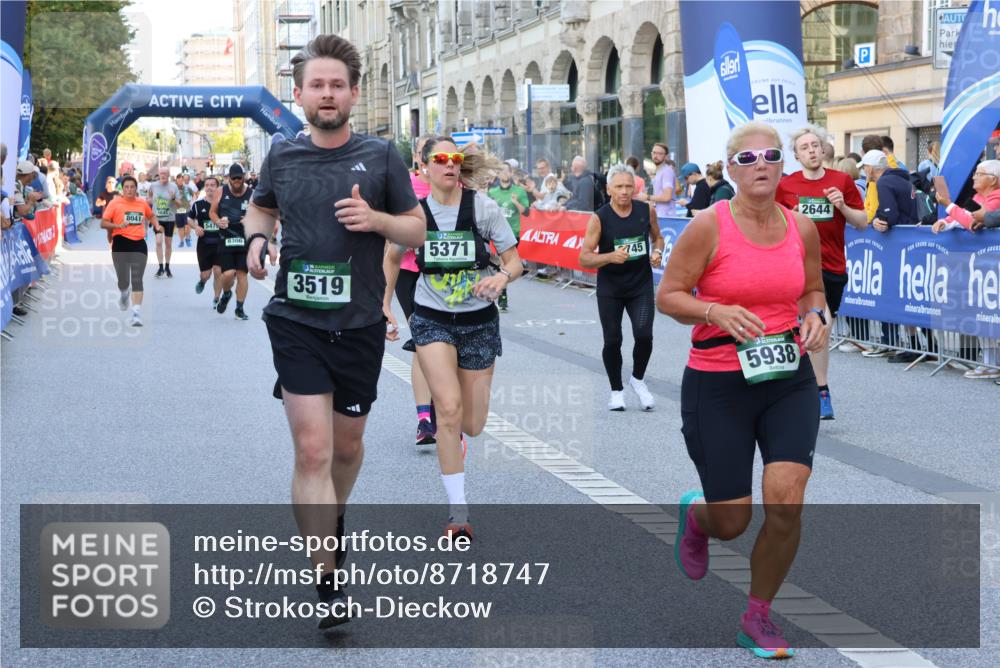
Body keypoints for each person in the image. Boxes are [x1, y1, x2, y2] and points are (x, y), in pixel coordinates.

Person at [243, 33, 426, 629]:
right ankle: (327, 578)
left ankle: (332, 521)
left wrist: (375, 220)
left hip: (360, 325)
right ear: (299, 94)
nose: (327, 94)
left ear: (352, 93)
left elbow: (417, 231)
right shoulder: (282, 155)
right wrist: (257, 238)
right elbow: (261, 206)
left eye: (337, 85)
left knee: (346, 448)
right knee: (313, 448)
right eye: (316, 85)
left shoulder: (381, 156)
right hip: (295, 320)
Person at [657, 120, 828, 660]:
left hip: (787, 378)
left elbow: (814, 289)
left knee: (787, 501)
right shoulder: (709, 226)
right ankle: (699, 515)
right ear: (730, 170)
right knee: (732, 520)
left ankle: (757, 616)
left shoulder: (801, 227)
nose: (760, 166)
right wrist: (714, 310)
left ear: (783, 166)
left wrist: (817, 314)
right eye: (747, 158)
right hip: (718, 382)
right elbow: (669, 295)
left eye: (770, 156)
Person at [384, 136, 521, 539]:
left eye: (455, 158)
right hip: (431, 317)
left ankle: (456, 436)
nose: (449, 164)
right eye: (440, 159)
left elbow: (516, 259)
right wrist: (385, 304)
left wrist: (501, 276)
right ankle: (457, 515)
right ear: (424, 167)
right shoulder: (416, 215)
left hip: (479, 320)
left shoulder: (483, 208)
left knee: (472, 423)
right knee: (446, 409)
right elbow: (392, 257)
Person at [775, 126, 867, 420]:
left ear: (823, 149)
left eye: (815, 145)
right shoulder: (787, 186)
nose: (812, 150)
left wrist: (841, 205)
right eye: (805, 147)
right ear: (797, 155)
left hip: (833, 266)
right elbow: (772, 223)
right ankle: (821, 390)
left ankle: (808, 384)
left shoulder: (841, 181)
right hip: (797, 266)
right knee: (819, 323)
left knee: (820, 333)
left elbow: (862, 221)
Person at [579, 164, 664, 411]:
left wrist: (657, 250)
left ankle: (637, 380)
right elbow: (584, 257)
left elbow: (657, 236)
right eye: (619, 187)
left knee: (644, 335)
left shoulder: (646, 210)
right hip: (611, 287)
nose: (625, 191)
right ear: (609, 189)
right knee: (613, 339)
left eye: (629, 186)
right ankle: (616, 390)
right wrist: (608, 257)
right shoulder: (600, 217)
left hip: (640, 285)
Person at [384, 134, 438, 448]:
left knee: (446, 344)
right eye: (424, 153)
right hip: (410, 272)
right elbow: (392, 246)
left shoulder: (458, 190)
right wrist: (385, 300)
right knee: (424, 340)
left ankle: (443, 407)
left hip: (447, 277)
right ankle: (424, 418)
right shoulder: (405, 186)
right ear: (419, 158)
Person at [932, 160, 1000, 380]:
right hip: (979, 265)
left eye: (979, 174)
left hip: (991, 264)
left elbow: (973, 220)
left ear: (993, 179)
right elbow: (963, 217)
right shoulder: (979, 197)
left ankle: (994, 363)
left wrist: (949, 205)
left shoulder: (997, 196)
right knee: (981, 310)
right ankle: (988, 362)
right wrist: (946, 222)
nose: (974, 178)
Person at [99, 175, 157, 327]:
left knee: (137, 279)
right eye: (127, 187)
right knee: (123, 281)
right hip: (120, 243)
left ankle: (136, 314)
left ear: (136, 189)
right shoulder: (115, 203)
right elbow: (103, 223)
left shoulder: (142, 203)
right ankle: (124, 292)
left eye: (132, 187)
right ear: (122, 189)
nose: (130, 190)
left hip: (139, 244)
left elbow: (151, 216)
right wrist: (118, 226)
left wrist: (157, 226)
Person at [209, 163, 255, 320]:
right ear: (228, 178)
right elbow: (212, 212)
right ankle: (227, 293)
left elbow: (258, 213)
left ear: (243, 178)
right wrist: (218, 222)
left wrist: (249, 219)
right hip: (226, 238)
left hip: (244, 239)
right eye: (233, 178)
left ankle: (239, 308)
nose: (236, 181)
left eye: (239, 178)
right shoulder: (221, 191)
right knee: (228, 274)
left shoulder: (252, 193)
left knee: (242, 274)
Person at [488, 162, 529, 312]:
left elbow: (526, 212)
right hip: (496, 234)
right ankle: (502, 294)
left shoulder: (519, 191)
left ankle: (501, 290)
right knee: (502, 265)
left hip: (513, 234)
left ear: (511, 174)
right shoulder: (492, 192)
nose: (505, 174)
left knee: (506, 265)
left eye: (507, 171)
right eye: (502, 171)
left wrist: (515, 202)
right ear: (498, 175)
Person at [189, 176, 224, 308]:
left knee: (218, 271)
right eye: (207, 185)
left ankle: (216, 298)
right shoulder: (198, 205)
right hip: (204, 244)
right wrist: (196, 227)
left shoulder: (223, 205)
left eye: (212, 185)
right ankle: (202, 282)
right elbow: (189, 219)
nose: (209, 187)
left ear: (217, 187)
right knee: (206, 274)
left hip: (220, 243)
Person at [147, 167, 181, 278]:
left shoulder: (173, 186)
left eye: (165, 173)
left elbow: (179, 204)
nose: (163, 175)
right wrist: (150, 202)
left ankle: (167, 266)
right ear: (158, 174)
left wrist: (172, 199)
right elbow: (149, 195)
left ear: (169, 174)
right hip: (157, 218)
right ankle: (160, 267)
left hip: (170, 219)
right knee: (158, 242)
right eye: (161, 173)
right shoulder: (153, 185)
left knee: (168, 244)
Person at [650, 143, 677, 218]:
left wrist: (647, 197)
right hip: (661, 215)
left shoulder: (667, 171)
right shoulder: (660, 171)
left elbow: (667, 197)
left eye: (660, 153)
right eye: (654, 153)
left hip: (667, 217)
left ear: (666, 156)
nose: (656, 156)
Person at [173, 173, 195, 249]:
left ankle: (188, 238)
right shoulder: (173, 188)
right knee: (180, 227)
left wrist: (193, 202)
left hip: (187, 210)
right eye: (178, 180)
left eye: (181, 180)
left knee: (187, 226)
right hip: (177, 210)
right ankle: (181, 241)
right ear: (176, 180)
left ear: (183, 180)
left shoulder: (187, 188)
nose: (180, 182)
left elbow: (193, 195)